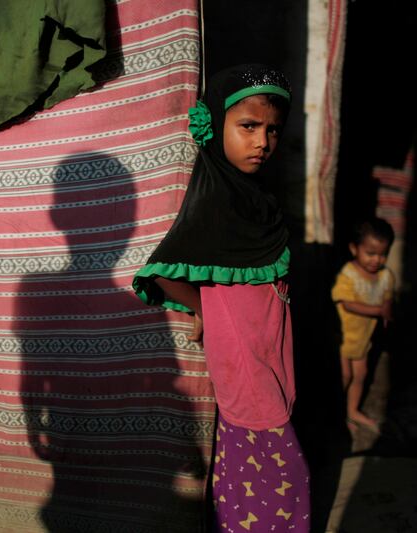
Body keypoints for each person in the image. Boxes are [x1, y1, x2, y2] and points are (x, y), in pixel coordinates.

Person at [133, 64, 310, 532]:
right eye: (247, 126)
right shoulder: (215, 200)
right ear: (216, 124)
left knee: (256, 445)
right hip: (242, 350)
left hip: (268, 340)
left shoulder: (253, 196)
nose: (262, 141)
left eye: (272, 129)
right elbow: (163, 270)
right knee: (275, 455)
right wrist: (204, 308)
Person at [331, 218, 395, 434]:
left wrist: (386, 309)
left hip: (363, 339)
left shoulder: (385, 276)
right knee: (345, 376)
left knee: (360, 375)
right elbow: (347, 304)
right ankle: (336, 413)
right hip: (343, 338)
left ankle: (352, 410)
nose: (377, 259)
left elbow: (387, 296)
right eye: (370, 253)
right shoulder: (348, 275)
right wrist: (379, 311)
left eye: (382, 254)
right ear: (354, 248)